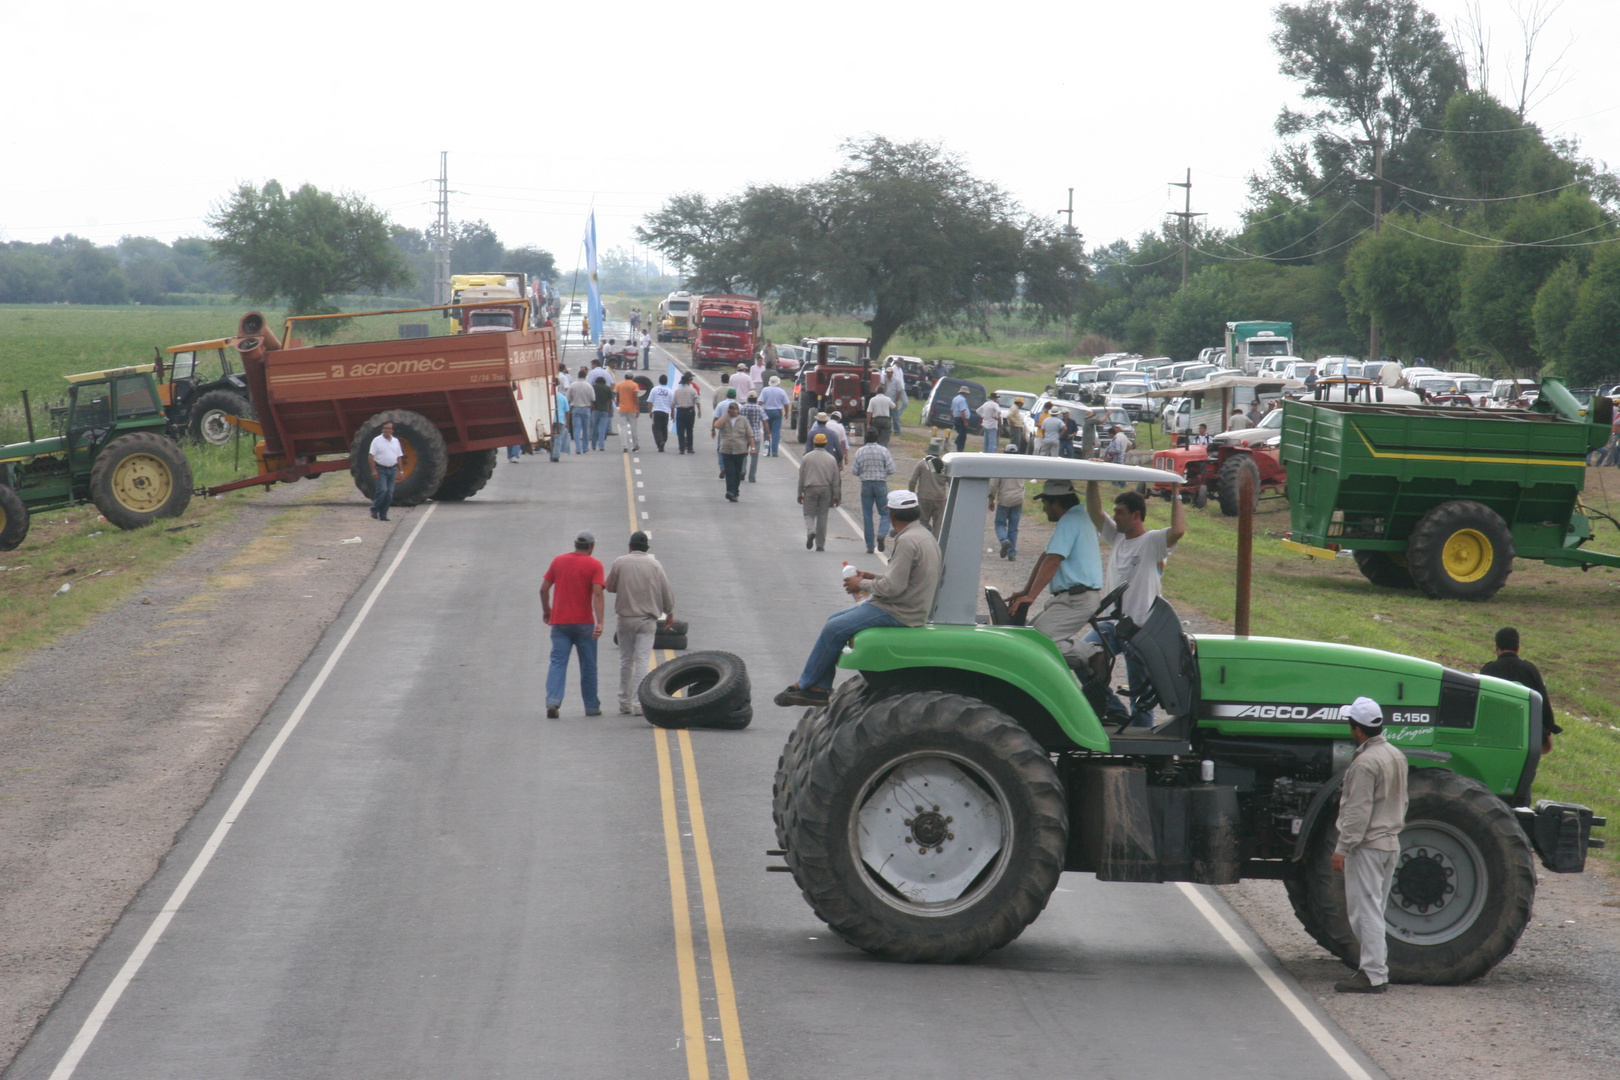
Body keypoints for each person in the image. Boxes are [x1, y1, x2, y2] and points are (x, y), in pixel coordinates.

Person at [774, 490, 942, 706]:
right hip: (911, 605)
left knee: (834, 629)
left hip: (899, 610)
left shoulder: (907, 541)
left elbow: (893, 587)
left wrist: (860, 584)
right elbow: (905, 578)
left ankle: (807, 684)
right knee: (833, 622)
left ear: (892, 514)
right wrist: (873, 576)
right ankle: (818, 687)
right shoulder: (923, 535)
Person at [1083, 484, 1186, 727]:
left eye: (1119, 512)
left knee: (1140, 693)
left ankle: (1142, 745)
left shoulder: (1153, 542)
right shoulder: (1117, 537)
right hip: (1110, 625)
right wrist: (1092, 480)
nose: (1114, 516)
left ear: (1136, 515)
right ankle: (1116, 712)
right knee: (1081, 659)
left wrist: (1176, 493)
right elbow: (1095, 513)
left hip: (1140, 630)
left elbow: (1179, 530)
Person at [1331, 695, 1409, 994]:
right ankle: (1375, 970)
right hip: (1390, 843)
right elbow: (1402, 801)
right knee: (1375, 907)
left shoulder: (1364, 763)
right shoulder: (1395, 755)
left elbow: (1357, 811)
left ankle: (1374, 974)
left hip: (1368, 847)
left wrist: (1342, 848)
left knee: (1365, 912)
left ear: (1358, 730)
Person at [1006, 480, 1104, 663]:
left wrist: (1032, 596)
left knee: (1038, 643)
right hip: (1072, 598)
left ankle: (1092, 654)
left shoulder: (1070, 520)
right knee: (1028, 637)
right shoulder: (1079, 516)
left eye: (1045, 503)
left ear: (1056, 502)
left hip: (1077, 600)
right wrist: (1026, 591)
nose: (1044, 509)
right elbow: (1046, 556)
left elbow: (1053, 560)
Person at [604, 531, 675, 715]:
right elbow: (666, 591)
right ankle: (637, 704)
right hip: (646, 620)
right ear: (646, 549)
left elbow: (610, 586)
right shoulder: (655, 565)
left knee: (626, 660)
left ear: (630, 546)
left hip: (625, 619)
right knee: (643, 661)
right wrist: (669, 611)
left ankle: (624, 702)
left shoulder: (620, 562)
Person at [541, 530, 606, 718]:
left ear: (575, 544)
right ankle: (592, 706)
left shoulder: (558, 561)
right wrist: (600, 622)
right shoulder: (595, 565)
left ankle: (553, 702)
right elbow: (597, 594)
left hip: (560, 623)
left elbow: (543, 589)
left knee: (558, 662)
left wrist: (547, 610)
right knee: (588, 665)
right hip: (584, 624)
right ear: (592, 546)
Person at [1480, 627, 1562, 754]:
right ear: (1518, 648)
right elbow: (1543, 704)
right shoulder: (1530, 670)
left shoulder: (1487, 670)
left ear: (1496, 647)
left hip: (1494, 732)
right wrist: (1547, 732)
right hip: (1525, 733)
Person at [852, 428, 897, 553]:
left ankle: (870, 546)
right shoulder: (883, 451)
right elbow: (891, 469)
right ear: (877, 438)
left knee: (867, 515)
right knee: (885, 513)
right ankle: (882, 534)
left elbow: (854, 471)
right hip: (881, 484)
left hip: (866, 485)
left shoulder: (860, 452)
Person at [798, 432, 841, 550]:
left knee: (809, 513)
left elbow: (801, 476)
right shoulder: (831, 459)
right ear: (826, 444)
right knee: (823, 516)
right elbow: (836, 479)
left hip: (810, 488)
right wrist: (836, 495)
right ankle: (820, 545)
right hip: (826, 488)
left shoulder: (806, 457)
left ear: (814, 443)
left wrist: (799, 493)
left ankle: (811, 531)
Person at [713, 401, 755, 502]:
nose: (732, 410)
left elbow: (750, 435)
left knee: (737, 472)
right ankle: (730, 491)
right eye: (730, 409)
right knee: (730, 472)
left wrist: (753, 448)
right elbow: (717, 425)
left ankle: (735, 491)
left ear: (738, 410)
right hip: (726, 450)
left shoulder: (743, 420)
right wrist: (726, 415)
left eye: (733, 409)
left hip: (740, 450)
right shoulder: (725, 419)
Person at [368, 420, 402, 521]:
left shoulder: (395, 441)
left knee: (389, 493)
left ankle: (383, 514)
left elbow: (399, 456)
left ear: (392, 430)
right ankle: (374, 509)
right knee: (382, 490)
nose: (387, 430)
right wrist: (374, 470)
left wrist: (401, 471)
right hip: (381, 468)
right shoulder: (376, 440)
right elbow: (371, 456)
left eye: (389, 429)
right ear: (382, 429)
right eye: (385, 428)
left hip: (392, 469)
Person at [908, 454, 949, 535]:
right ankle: (936, 544)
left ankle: (922, 541)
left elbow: (912, 481)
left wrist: (912, 495)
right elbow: (951, 482)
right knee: (938, 525)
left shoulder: (922, 464)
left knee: (922, 522)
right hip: (940, 498)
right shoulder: (945, 466)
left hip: (924, 497)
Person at [990, 469, 1025, 560]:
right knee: (1013, 528)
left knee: (1000, 524)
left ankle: (1004, 540)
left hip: (1004, 500)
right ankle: (1012, 553)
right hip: (1018, 499)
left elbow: (994, 485)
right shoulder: (1021, 467)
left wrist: (991, 499)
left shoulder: (1001, 467)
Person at [739, 391, 767, 482]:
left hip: (744, 435)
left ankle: (742, 470)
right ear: (756, 399)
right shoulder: (760, 409)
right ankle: (752, 476)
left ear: (748, 399)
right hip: (756, 436)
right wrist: (768, 433)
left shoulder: (742, 408)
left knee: (743, 454)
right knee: (754, 457)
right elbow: (764, 421)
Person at [758, 376, 790, 456]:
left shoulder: (765, 390)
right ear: (778, 383)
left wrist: (760, 411)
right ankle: (775, 451)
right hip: (777, 412)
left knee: (766, 432)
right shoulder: (781, 391)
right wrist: (786, 413)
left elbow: (760, 402)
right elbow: (786, 404)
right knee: (776, 432)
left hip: (766, 411)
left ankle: (767, 450)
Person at [567, 368, 596, 453]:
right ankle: (585, 448)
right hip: (586, 408)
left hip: (575, 408)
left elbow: (568, 398)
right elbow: (593, 398)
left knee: (577, 429)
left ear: (578, 376)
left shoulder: (573, 385)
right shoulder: (589, 386)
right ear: (585, 376)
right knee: (586, 429)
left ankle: (578, 448)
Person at [615, 372, 643, 452]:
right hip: (632, 409)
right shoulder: (634, 385)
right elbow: (636, 398)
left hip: (622, 408)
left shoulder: (620, 385)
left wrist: (619, 405)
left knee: (623, 428)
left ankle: (624, 446)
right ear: (632, 377)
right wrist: (638, 409)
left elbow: (617, 396)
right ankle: (635, 445)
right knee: (633, 428)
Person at [672, 373, 700, 454]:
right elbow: (697, 401)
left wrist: (672, 414)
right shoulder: (692, 390)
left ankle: (682, 449)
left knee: (680, 431)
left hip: (680, 412)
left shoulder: (677, 391)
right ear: (688, 381)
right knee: (689, 430)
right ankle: (690, 448)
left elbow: (672, 404)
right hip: (690, 412)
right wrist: (699, 411)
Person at [647, 375, 674, 452]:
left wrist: (650, 411)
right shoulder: (670, 391)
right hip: (666, 412)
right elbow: (672, 404)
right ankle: (663, 442)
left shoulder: (654, 389)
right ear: (667, 381)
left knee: (656, 428)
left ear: (659, 381)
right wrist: (672, 413)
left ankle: (660, 441)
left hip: (657, 411)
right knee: (664, 428)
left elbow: (650, 402)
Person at [591, 371, 615, 451]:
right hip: (604, 410)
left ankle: (593, 445)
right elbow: (610, 400)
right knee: (602, 429)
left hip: (595, 410)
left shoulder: (593, 387)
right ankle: (601, 446)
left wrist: (593, 406)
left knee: (594, 428)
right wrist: (609, 409)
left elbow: (591, 398)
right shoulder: (607, 388)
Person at [552, 382, 571, 459]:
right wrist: (567, 423)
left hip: (551, 421)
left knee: (551, 439)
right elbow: (567, 411)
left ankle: (551, 455)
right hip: (560, 421)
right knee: (558, 439)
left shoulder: (550, 397)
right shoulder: (563, 397)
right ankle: (556, 455)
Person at [951, 387, 972, 452]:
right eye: (967, 393)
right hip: (961, 419)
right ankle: (958, 449)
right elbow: (962, 411)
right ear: (964, 393)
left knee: (960, 434)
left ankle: (956, 448)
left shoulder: (955, 398)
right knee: (962, 436)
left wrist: (954, 417)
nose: (967, 395)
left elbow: (952, 410)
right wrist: (965, 422)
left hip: (957, 418)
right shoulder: (962, 400)